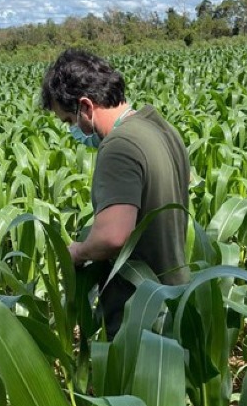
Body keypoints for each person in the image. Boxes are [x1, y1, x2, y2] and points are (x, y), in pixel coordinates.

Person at [41, 48, 190, 339]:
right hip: (174, 298)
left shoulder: (119, 146)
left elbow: (113, 236)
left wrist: (78, 252)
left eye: (68, 121)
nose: (72, 130)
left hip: (140, 314)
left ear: (85, 107)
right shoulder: (160, 128)